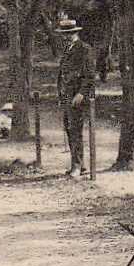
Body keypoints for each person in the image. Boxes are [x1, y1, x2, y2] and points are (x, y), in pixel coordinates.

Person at [55, 19, 95, 178]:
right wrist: (61, 94)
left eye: (69, 34)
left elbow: (90, 75)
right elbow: (62, 75)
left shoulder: (84, 49)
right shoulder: (67, 49)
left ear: (75, 33)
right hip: (67, 96)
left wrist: (81, 93)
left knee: (75, 131)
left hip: (77, 97)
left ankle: (77, 166)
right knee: (69, 129)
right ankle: (78, 164)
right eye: (64, 34)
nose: (66, 37)